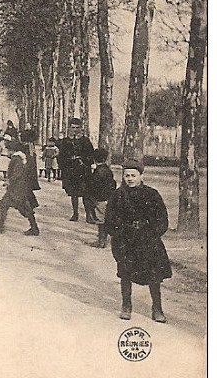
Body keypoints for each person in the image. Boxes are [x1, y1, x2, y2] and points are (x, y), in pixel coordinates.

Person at [103, 160, 172, 322]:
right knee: (125, 273)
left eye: (133, 175)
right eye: (127, 175)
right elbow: (110, 220)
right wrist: (119, 233)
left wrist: (151, 233)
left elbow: (162, 219)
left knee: (154, 275)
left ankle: (157, 309)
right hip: (125, 241)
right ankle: (126, 306)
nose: (130, 179)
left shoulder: (152, 194)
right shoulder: (118, 195)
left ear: (141, 176)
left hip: (147, 241)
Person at [0, 139, 40, 236]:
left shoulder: (16, 159)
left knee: (5, 205)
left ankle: (1, 226)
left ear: (12, 150)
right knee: (23, 208)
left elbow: (17, 173)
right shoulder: (21, 158)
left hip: (16, 188)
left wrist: (9, 181)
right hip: (20, 188)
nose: (7, 151)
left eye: (8, 149)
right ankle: (34, 228)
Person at [58, 117, 95, 222]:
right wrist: (66, 164)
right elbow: (61, 156)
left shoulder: (85, 141)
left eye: (77, 127)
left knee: (86, 193)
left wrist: (84, 160)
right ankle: (75, 214)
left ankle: (88, 215)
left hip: (83, 170)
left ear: (81, 128)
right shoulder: (65, 141)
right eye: (72, 127)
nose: (75, 130)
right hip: (71, 171)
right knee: (73, 193)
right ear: (69, 128)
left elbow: (91, 154)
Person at [87, 148, 117, 248]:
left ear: (95, 159)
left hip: (100, 198)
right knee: (104, 218)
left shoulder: (98, 171)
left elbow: (93, 185)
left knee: (101, 220)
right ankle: (103, 239)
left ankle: (101, 241)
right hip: (107, 197)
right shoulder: (108, 170)